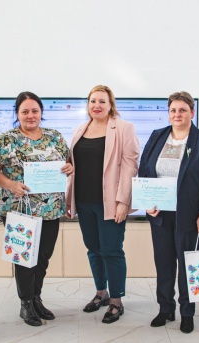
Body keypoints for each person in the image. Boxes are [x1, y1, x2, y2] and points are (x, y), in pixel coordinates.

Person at [138, 91, 199, 333]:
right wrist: (147, 201)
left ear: (192, 112)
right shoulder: (157, 136)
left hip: (190, 215)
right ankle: (165, 308)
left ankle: (187, 312)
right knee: (163, 264)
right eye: (173, 110)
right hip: (160, 214)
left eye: (182, 110)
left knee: (188, 266)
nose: (177, 114)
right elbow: (145, 170)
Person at [0, 91, 74, 327]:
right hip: (19, 209)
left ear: (41, 112)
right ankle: (25, 303)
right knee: (23, 258)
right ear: (17, 114)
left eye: (35, 111)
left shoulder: (55, 137)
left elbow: (68, 163)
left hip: (51, 209)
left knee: (43, 257)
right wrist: (10, 184)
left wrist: (69, 168)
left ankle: (37, 298)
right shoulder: (4, 140)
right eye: (25, 111)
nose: (30, 115)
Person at [66, 85, 139, 324]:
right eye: (92, 101)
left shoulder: (123, 128)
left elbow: (130, 167)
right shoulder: (80, 129)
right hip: (84, 201)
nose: (96, 105)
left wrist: (123, 201)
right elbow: (75, 163)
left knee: (112, 251)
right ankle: (101, 293)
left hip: (110, 203)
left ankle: (116, 301)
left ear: (110, 105)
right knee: (93, 249)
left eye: (102, 101)